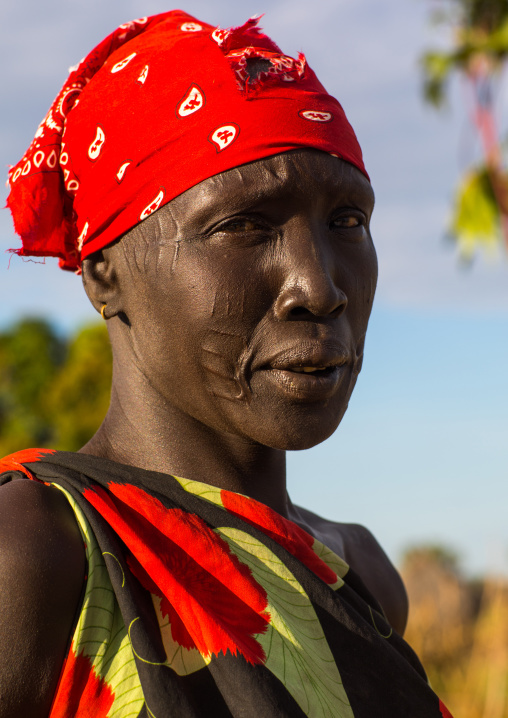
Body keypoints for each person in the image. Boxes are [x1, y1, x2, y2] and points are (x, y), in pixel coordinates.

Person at [0, 10, 454, 718]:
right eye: (242, 224)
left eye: (347, 221)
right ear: (103, 273)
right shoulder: (34, 557)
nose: (320, 286)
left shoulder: (360, 574)